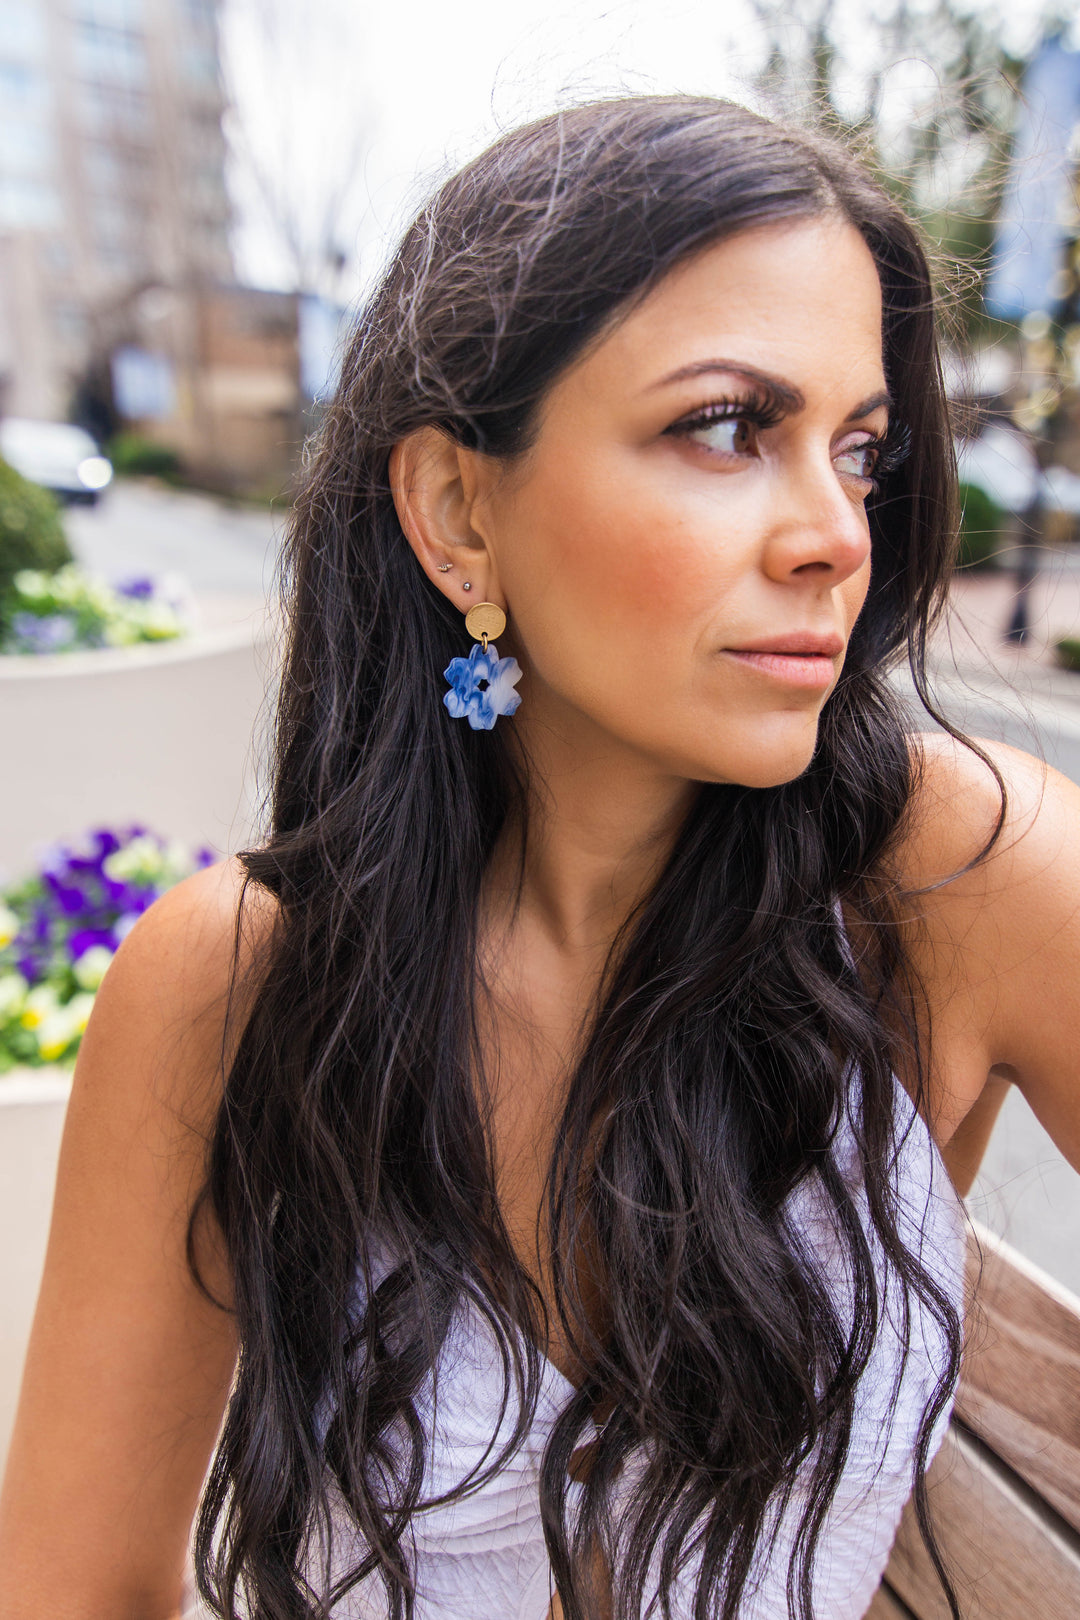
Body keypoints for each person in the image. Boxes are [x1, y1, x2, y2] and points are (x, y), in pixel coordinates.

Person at [2, 93, 1079, 1620]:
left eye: (860, 449)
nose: (838, 528)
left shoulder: (955, 880)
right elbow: (71, 1588)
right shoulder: (235, 987)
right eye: (725, 426)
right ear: (457, 511)